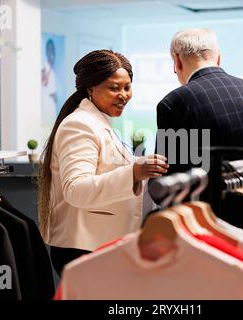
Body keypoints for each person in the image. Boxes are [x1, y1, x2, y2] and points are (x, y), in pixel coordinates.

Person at [38, 50, 169, 276]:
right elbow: (76, 189)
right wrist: (134, 172)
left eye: (127, 87)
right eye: (114, 88)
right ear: (90, 89)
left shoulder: (98, 123)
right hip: (83, 249)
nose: (123, 95)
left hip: (97, 247)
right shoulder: (79, 125)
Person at [155, 28, 243, 207]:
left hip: (216, 218)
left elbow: (172, 182)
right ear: (218, 57)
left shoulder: (176, 102)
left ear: (177, 61)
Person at [41, 39, 57, 124]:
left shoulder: (53, 67)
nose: (51, 52)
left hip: (52, 103)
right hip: (46, 101)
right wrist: (50, 66)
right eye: (49, 49)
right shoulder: (44, 65)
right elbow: (44, 81)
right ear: (46, 51)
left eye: (52, 49)